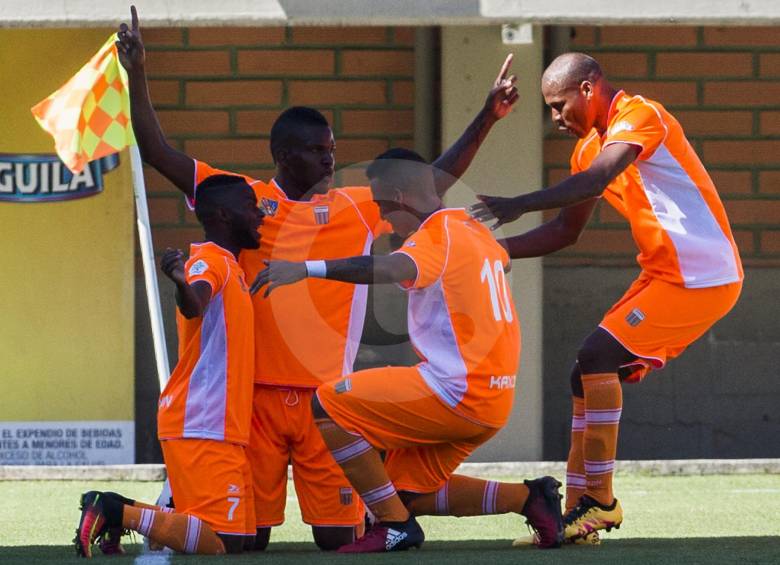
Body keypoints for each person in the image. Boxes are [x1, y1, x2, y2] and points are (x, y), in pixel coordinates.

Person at [116, 5, 520, 551]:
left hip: (324, 401)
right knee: (248, 541)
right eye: (316, 151)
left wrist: (487, 117)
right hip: (253, 399)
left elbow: (429, 181)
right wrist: (138, 73)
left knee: (337, 537)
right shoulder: (243, 200)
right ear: (284, 155)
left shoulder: (355, 207)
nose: (330, 161)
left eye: (332, 150)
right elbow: (158, 152)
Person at [471, 52, 743, 545]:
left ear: (589, 88)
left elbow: (596, 181)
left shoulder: (641, 115)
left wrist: (518, 204)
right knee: (586, 371)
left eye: (559, 105)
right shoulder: (586, 151)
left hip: (704, 277)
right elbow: (565, 231)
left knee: (598, 355)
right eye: (550, 109)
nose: (556, 119)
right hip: (665, 275)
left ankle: (600, 501)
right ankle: (578, 515)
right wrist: (496, 251)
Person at [253, 148, 564, 553]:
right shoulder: (470, 227)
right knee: (399, 492)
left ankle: (394, 526)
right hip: (495, 397)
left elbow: (393, 268)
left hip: (455, 391)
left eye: (382, 205)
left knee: (328, 404)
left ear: (398, 197)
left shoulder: (434, 236)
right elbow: (500, 262)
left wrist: (307, 268)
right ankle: (528, 498)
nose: (383, 218)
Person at [75, 174, 264, 556]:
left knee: (243, 539)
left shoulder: (231, 265)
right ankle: (112, 510)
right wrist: (179, 281)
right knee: (222, 541)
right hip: (202, 420)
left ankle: (116, 509)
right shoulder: (210, 261)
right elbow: (194, 302)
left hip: (219, 423)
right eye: (250, 206)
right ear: (224, 215)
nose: (260, 215)